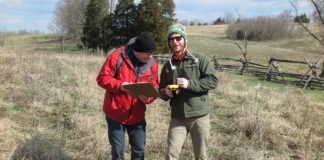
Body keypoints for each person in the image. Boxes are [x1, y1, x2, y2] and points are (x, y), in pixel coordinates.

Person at [159, 24, 218, 160]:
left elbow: (213, 81)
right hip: (177, 117)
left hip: (199, 116)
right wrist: (165, 92)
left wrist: (189, 84)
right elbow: (161, 90)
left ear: (184, 39)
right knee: (171, 155)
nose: (174, 42)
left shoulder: (199, 59)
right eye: (171, 39)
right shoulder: (167, 65)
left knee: (201, 156)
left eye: (178, 38)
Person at [97, 32, 159, 160]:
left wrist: (148, 98)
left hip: (138, 116)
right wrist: (121, 85)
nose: (151, 56)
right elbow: (102, 79)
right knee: (118, 153)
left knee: (139, 152)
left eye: (152, 53)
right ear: (138, 50)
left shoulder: (152, 64)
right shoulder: (116, 57)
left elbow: (154, 86)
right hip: (115, 114)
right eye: (148, 53)